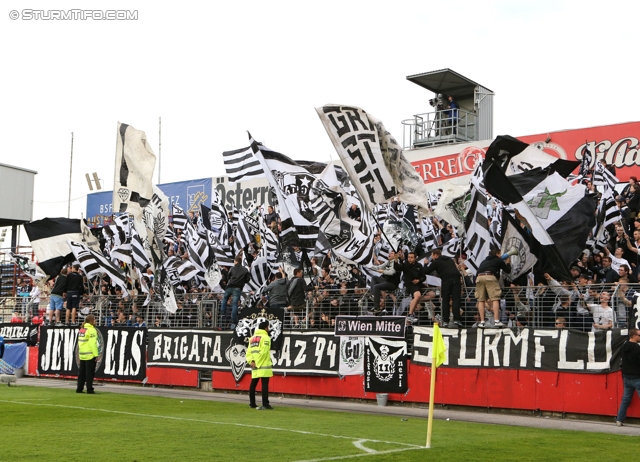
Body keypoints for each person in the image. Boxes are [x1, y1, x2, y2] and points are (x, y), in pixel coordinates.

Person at [423, 249, 463, 328]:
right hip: (456, 279)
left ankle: (445, 321)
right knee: (456, 300)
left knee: (445, 300)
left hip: (446, 281)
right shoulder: (450, 260)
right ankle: (457, 319)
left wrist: (425, 264)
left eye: (432, 255)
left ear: (435, 255)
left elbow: (426, 271)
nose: (432, 258)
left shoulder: (436, 262)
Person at [475, 247, 511, 328]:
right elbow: (508, 270)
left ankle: (482, 321)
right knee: (495, 298)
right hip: (490, 276)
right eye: (500, 254)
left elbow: (477, 272)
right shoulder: (498, 260)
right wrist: (508, 263)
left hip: (479, 278)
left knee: (481, 299)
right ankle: (496, 321)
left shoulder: (484, 261)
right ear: (497, 254)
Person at [246, 320, 273, 410]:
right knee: (264, 384)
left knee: (253, 384)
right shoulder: (266, 338)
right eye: (268, 327)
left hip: (254, 364)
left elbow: (249, 352)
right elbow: (264, 351)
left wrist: (252, 362)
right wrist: (258, 363)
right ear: (265, 328)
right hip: (263, 364)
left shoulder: (252, 338)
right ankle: (265, 404)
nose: (268, 329)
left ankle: (252, 403)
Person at [615, 328, 640, 426]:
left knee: (625, 399)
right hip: (637, 377)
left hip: (626, 377)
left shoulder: (623, 347)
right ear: (634, 336)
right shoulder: (637, 348)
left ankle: (619, 419)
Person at [220, 256, 250, 329]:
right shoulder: (245, 269)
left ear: (236, 261)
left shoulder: (232, 268)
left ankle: (222, 312)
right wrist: (242, 281)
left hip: (229, 286)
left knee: (225, 298)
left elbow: (228, 277)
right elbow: (248, 279)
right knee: (235, 304)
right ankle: (233, 319)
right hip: (237, 288)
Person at [396, 251, 426, 324]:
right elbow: (397, 267)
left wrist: (418, 280)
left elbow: (424, 277)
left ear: (415, 258)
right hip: (411, 285)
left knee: (432, 294)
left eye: (412, 257)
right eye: (409, 257)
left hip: (419, 284)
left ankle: (413, 302)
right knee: (417, 295)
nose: (410, 259)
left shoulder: (419, 265)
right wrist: (396, 260)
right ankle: (410, 314)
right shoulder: (405, 264)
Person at [76, 314, 99, 394]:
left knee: (81, 372)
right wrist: (96, 354)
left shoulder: (82, 329)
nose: (95, 321)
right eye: (95, 320)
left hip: (82, 353)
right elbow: (93, 344)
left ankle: (79, 388)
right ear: (92, 321)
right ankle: (89, 389)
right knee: (89, 373)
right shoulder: (92, 330)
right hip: (89, 354)